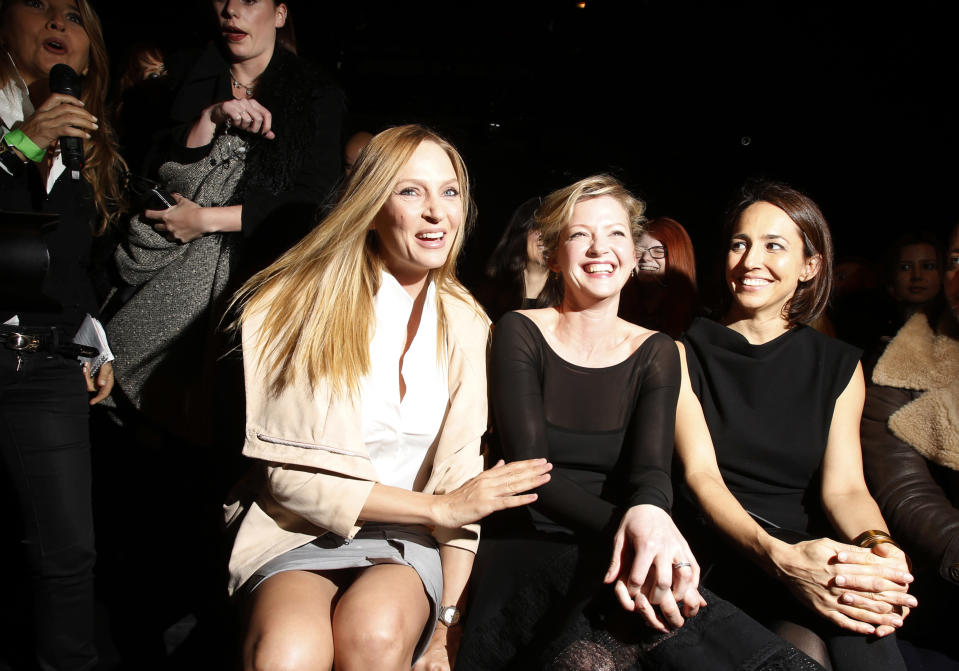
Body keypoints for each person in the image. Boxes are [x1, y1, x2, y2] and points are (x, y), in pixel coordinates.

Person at [458, 175, 818, 671]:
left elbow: (651, 470)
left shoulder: (657, 351)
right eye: (580, 235)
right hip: (529, 543)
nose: (598, 248)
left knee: (705, 640)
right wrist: (639, 530)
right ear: (557, 251)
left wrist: (649, 516)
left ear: (632, 256)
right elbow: (529, 470)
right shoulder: (519, 330)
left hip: (618, 545)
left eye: (615, 234)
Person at [226, 124, 552, 671]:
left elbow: (459, 488)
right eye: (410, 191)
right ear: (371, 204)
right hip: (294, 528)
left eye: (449, 192)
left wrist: (449, 622)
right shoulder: (294, 304)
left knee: (373, 637)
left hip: (407, 541)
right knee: (287, 655)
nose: (436, 212)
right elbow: (291, 479)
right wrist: (440, 507)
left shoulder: (468, 323)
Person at [674, 180, 916, 670]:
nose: (749, 261)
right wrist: (780, 558)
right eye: (739, 243)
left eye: (773, 246)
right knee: (799, 657)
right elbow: (702, 479)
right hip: (724, 554)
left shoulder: (839, 364)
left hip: (815, 552)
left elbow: (846, 489)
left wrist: (880, 549)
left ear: (811, 266)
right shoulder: (681, 352)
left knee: (867, 639)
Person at [0, 0, 126, 668]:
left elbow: (67, 263)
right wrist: (21, 142)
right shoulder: (19, 129)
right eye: (41, 3)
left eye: (75, 14)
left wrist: (91, 337)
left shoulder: (85, 146)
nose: (58, 19)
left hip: (45, 367)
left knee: (66, 556)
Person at [861, 222, 959, 668]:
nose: (919, 276)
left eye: (931, 265)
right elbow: (905, 491)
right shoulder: (889, 370)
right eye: (955, 261)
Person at [471, 195, 562, 322]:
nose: (546, 236)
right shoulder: (488, 294)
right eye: (538, 227)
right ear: (522, 233)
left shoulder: (569, 296)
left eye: (552, 230)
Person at [619, 216, 699, 338]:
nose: (645, 258)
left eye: (658, 251)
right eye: (639, 250)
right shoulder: (619, 309)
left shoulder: (697, 322)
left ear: (677, 255)